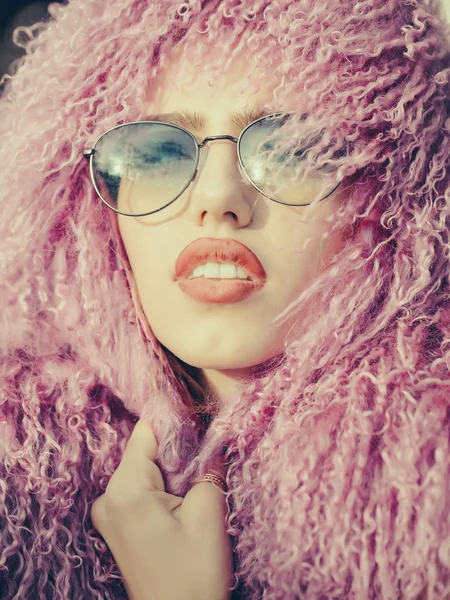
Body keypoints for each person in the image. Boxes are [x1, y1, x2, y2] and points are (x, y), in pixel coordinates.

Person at [1, 0, 450, 598]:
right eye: (155, 152)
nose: (217, 196)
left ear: (393, 198)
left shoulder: (432, 485)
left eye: (292, 149)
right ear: (89, 214)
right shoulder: (20, 475)